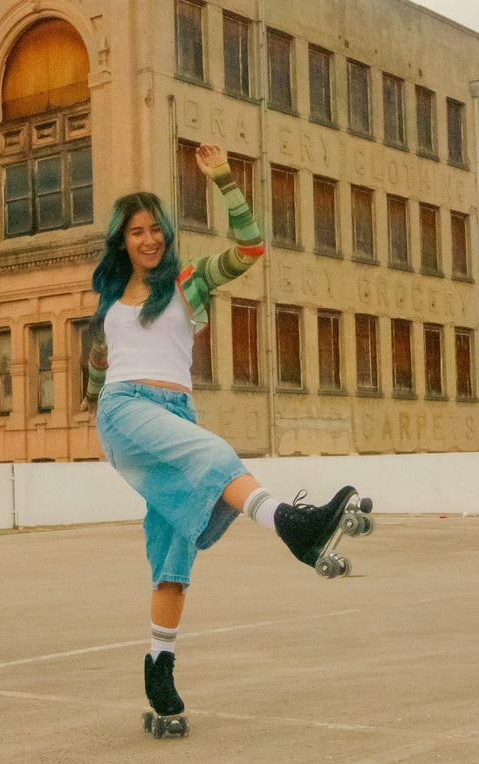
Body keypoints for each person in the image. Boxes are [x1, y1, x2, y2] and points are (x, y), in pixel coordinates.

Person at [84, 143, 363, 722]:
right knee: (216, 453)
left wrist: (224, 181)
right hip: (126, 409)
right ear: (122, 240)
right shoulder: (109, 296)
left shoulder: (190, 280)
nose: (149, 239)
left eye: (156, 229)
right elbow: (100, 363)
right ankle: (292, 524)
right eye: (136, 232)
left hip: (174, 414)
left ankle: (159, 667)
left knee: (172, 555)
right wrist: (94, 386)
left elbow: (251, 248)